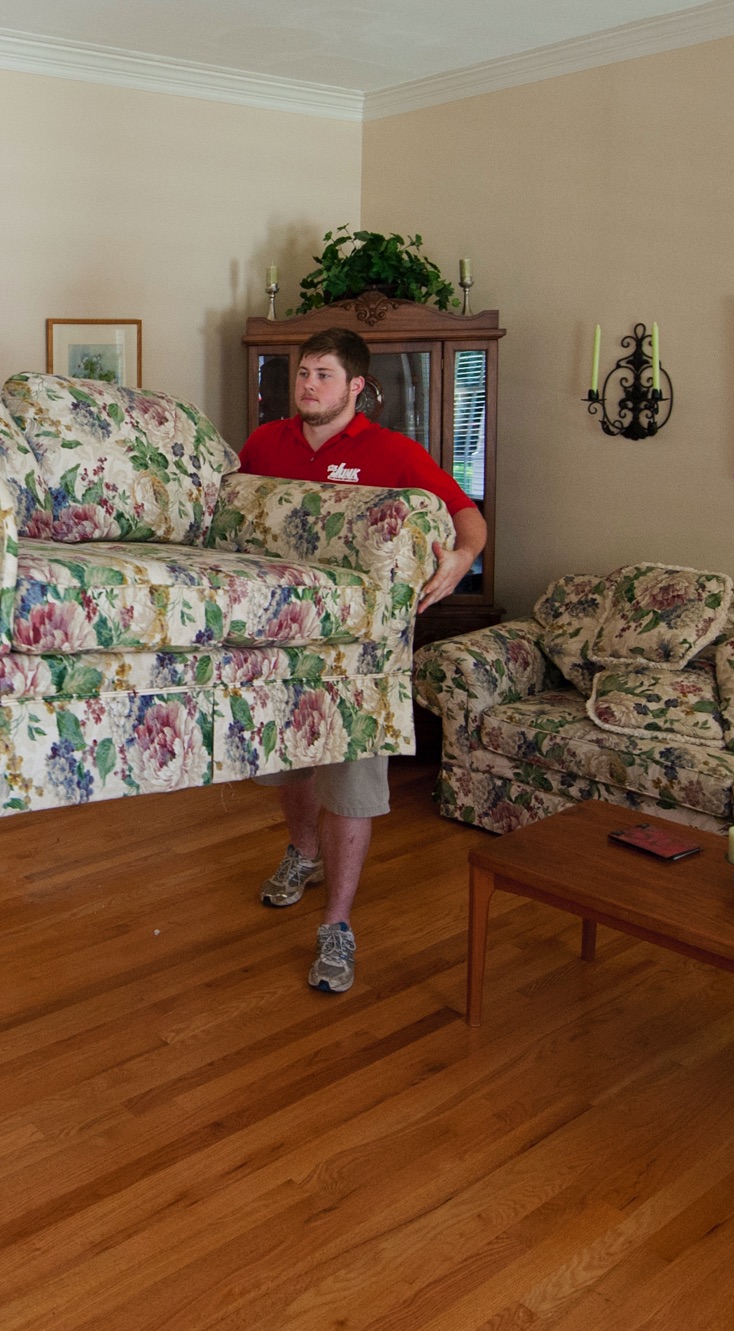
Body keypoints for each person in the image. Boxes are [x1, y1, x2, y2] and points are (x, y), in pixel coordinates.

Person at [241, 327, 488, 993]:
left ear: (355, 387)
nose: (307, 386)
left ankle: (338, 924)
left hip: (364, 651)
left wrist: (460, 562)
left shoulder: (394, 452)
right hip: (283, 639)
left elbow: (467, 517)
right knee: (286, 760)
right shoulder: (266, 445)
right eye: (302, 374)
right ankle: (302, 850)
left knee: (351, 778)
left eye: (323, 375)